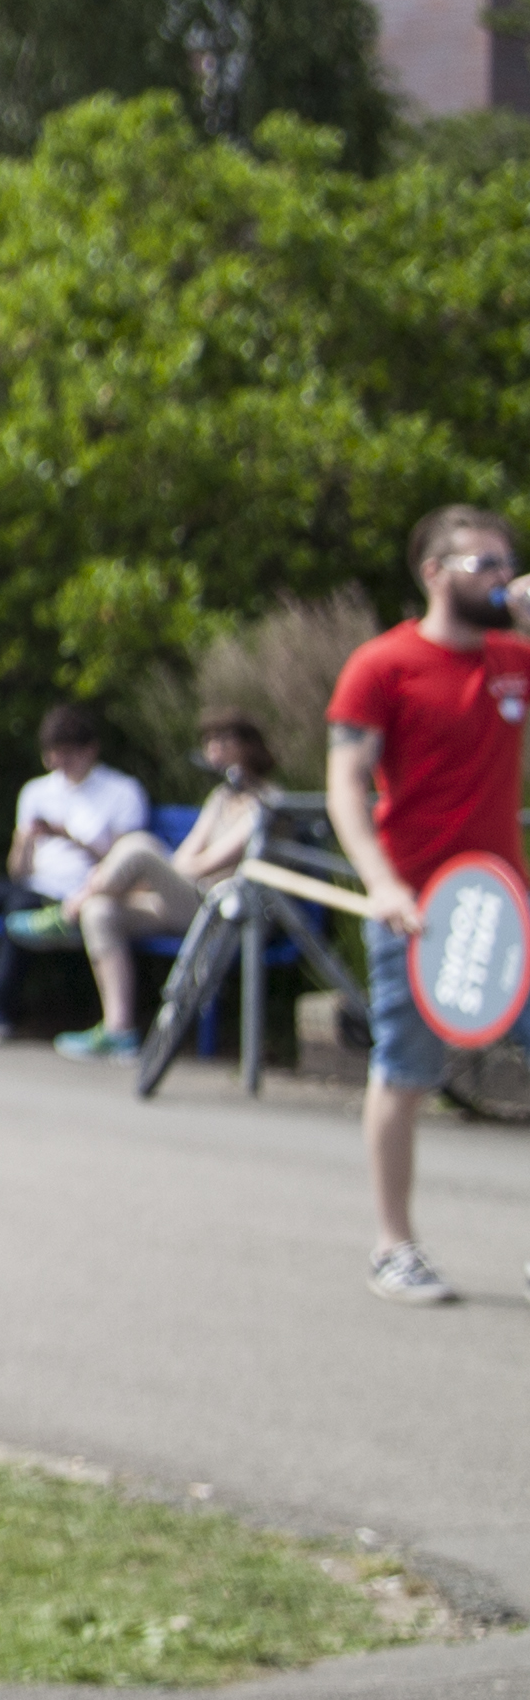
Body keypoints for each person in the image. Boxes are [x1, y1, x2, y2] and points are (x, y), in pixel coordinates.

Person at [329, 504, 522, 1306]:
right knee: (405, 1072)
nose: (502, 578)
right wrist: (380, 880)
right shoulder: (384, 665)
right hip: (421, 905)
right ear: (434, 572)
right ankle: (394, 1246)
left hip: (504, 902)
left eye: (507, 564)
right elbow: (344, 784)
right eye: (485, 564)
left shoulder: (515, 658)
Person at [56, 713, 278, 1058]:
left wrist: (163, 870)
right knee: (100, 912)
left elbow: (210, 861)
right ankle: (119, 1029)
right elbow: (188, 854)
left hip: (228, 912)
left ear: (248, 746)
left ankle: (68, 908)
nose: (213, 749)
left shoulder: (267, 802)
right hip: (192, 901)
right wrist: (165, 873)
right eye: (209, 741)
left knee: (139, 846)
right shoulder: (219, 798)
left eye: (223, 740)